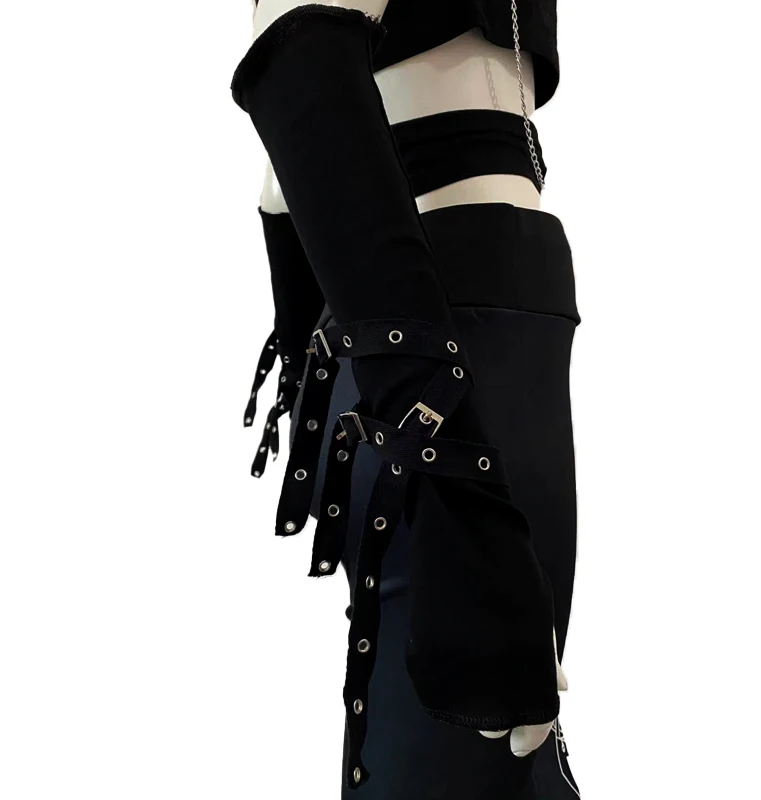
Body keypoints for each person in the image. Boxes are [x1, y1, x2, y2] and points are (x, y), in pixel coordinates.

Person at [233, 1, 581, 796]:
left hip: (460, 329)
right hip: (446, 349)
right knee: (472, 755)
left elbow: (284, 175)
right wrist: (455, 488)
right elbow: (298, 64)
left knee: (504, 761)